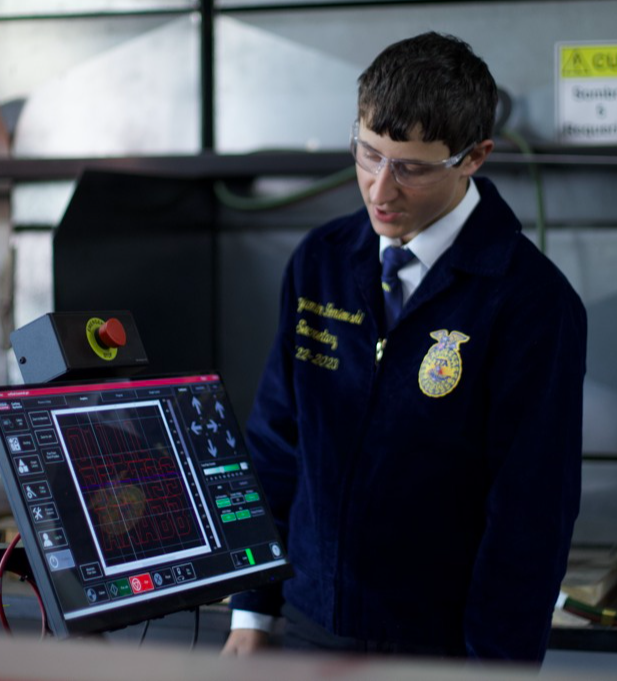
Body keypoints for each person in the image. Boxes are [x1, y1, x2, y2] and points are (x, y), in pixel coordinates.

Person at [221, 31, 587, 662]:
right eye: (367, 154)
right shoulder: (321, 264)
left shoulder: (531, 304)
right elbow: (277, 448)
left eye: (411, 168)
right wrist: (251, 610)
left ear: (474, 157)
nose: (379, 190)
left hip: (438, 646)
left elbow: (529, 517)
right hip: (308, 623)